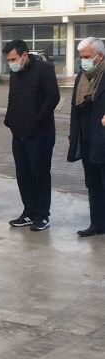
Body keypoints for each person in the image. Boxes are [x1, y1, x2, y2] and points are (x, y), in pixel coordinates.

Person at [3, 39, 60, 231]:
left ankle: (42, 215)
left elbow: (53, 97)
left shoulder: (44, 69)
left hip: (40, 133)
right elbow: (12, 97)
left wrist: (38, 119)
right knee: (23, 174)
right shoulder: (15, 73)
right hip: (19, 133)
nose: (11, 63)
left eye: (13, 59)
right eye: (8, 60)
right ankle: (29, 212)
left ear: (24, 55)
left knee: (39, 174)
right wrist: (9, 119)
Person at [67, 37, 105, 237]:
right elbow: (75, 109)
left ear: (100, 56)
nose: (83, 61)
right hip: (87, 139)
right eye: (81, 57)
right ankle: (97, 224)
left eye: (87, 57)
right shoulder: (81, 77)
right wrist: (74, 134)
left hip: (103, 138)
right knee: (92, 183)